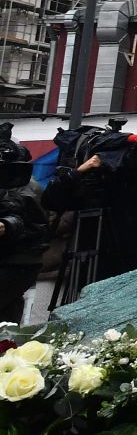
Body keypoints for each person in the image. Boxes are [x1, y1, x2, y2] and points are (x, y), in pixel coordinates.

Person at [0, 135, 50, 324]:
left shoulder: (21, 185)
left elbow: (37, 225)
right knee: (8, 319)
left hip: (17, 261)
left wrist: (9, 225)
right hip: (19, 261)